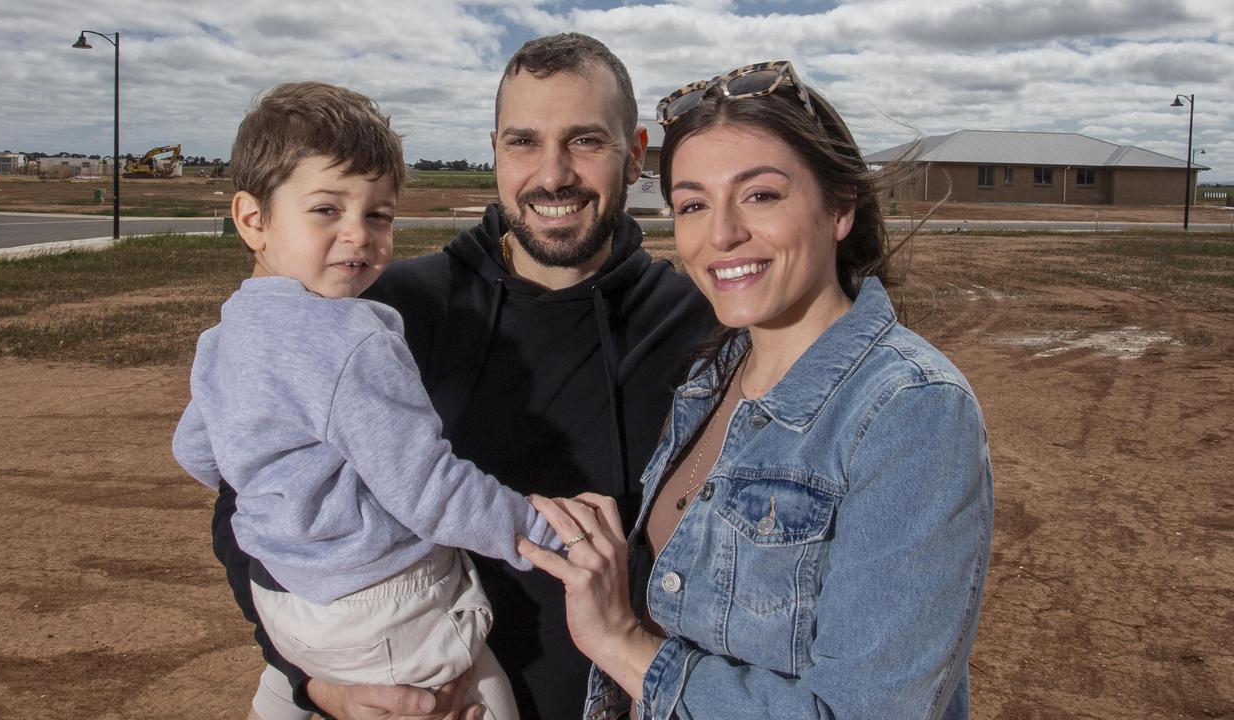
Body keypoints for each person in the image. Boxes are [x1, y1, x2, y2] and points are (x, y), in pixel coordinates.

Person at [210, 35, 715, 720]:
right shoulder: (384, 311)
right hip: (388, 686)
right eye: (523, 142)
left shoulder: (701, 328)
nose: (553, 173)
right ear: (495, 149)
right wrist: (319, 687)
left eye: (586, 141)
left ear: (635, 151)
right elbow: (248, 504)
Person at [521, 60, 994, 719]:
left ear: (840, 208)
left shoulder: (910, 410)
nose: (721, 235)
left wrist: (620, 639)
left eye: (761, 195)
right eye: (692, 204)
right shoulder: (711, 378)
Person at [173, 81, 567, 720]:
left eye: (378, 215)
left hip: (285, 603)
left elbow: (195, 450)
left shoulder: (223, 335)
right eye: (327, 209)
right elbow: (430, 493)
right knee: (486, 695)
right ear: (253, 219)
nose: (359, 236)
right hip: (383, 604)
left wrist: (292, 508)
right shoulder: (350, 335)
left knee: (291, 690)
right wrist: (546, 532)